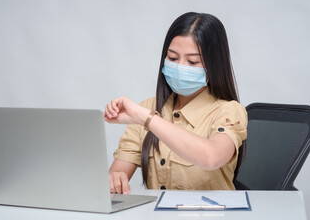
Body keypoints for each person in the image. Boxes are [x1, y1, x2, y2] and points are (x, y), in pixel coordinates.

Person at [104, 12, 247, 194]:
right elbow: (117, 174)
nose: (180, 67)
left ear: (214, 66)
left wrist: (146, 119)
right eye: (172, 58)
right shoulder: (147, 107)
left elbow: (212, 157)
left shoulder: (229, 111)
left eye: (192, 61)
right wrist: (113, 179)